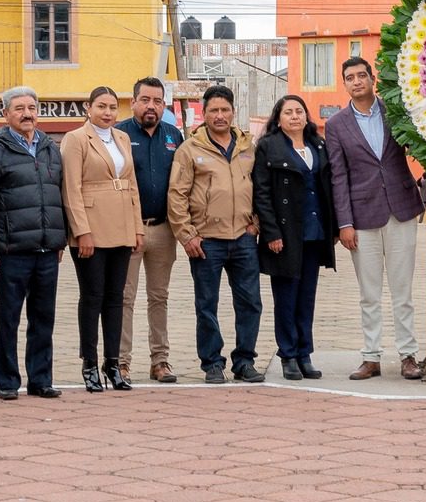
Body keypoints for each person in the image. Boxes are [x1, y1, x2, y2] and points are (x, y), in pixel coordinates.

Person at [323, 56, 426, 380]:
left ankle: (408, 355)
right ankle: (371, 357)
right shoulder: (336, 125)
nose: (356, 82)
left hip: (401, 211)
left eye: (361, 75)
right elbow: (338, 176)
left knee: (402, 291)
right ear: (345, 84)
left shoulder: (396, 112)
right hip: (361, 218)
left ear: (372, 79)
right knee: (369, 294)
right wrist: (344, 224)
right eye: (350, 77)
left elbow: (421, 146)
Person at [170, 84, 263, 384]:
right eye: (214, 111)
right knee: (206, 304)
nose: (220, 116)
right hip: (206, 241)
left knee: (249, 302)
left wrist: (257, 223)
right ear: (205, 113)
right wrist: (187, 235)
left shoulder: (248, 147)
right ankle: (211, 362)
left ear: (233, 112)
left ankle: (245, 361)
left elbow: (260, 189)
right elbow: (177, 195)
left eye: (225, 110)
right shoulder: (190, 150)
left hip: (243, 238)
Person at [0, 86, 66, 400]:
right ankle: (7, 381)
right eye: (19, 108)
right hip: (11, 251)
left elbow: (59, 196)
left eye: (31, 107)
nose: (27, 113)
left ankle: (41, 379)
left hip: (47, 249)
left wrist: (60, 241)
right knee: (9, 318)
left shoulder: (50, 148)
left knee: (43, 318)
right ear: (6, 114)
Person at [62, 86, 141, 393]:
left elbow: (132, 185)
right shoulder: (76, 139)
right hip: (91, 228)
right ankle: (90, 364)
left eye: (112, 107)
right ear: (88, 107)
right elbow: (71, 188)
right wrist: (82, 231)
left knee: (116, 298)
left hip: (121, 226)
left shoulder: (121, 138)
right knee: (92, 296)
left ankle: (113, 363)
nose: (107, 112)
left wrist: (137, 228)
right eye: (101, 106)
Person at [254, 95, 338, 381]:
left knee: (307, 298)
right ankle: (287, 354)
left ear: (306, 116)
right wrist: (271, 232)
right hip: (285, 235)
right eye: (288, 112)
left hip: (314, 233)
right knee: (286, 298)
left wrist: (334, 229)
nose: (294, 116)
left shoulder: (318, 145)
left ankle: (305, 353)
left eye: (299, 111)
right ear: (278, 118)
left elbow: (327, 187)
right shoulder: (269, 147)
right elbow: (262, 194)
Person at [117, 77, 183, 383]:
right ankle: (120, 363)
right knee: (124, 298)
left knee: (159, 297)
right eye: (145, 100)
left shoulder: (174, 136)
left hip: (163, 229)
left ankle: (160, 361)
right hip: (128, 230)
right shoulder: (118, 134)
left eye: (157, 101)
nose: (151, 106)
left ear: (164, 105)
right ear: (133, 102)